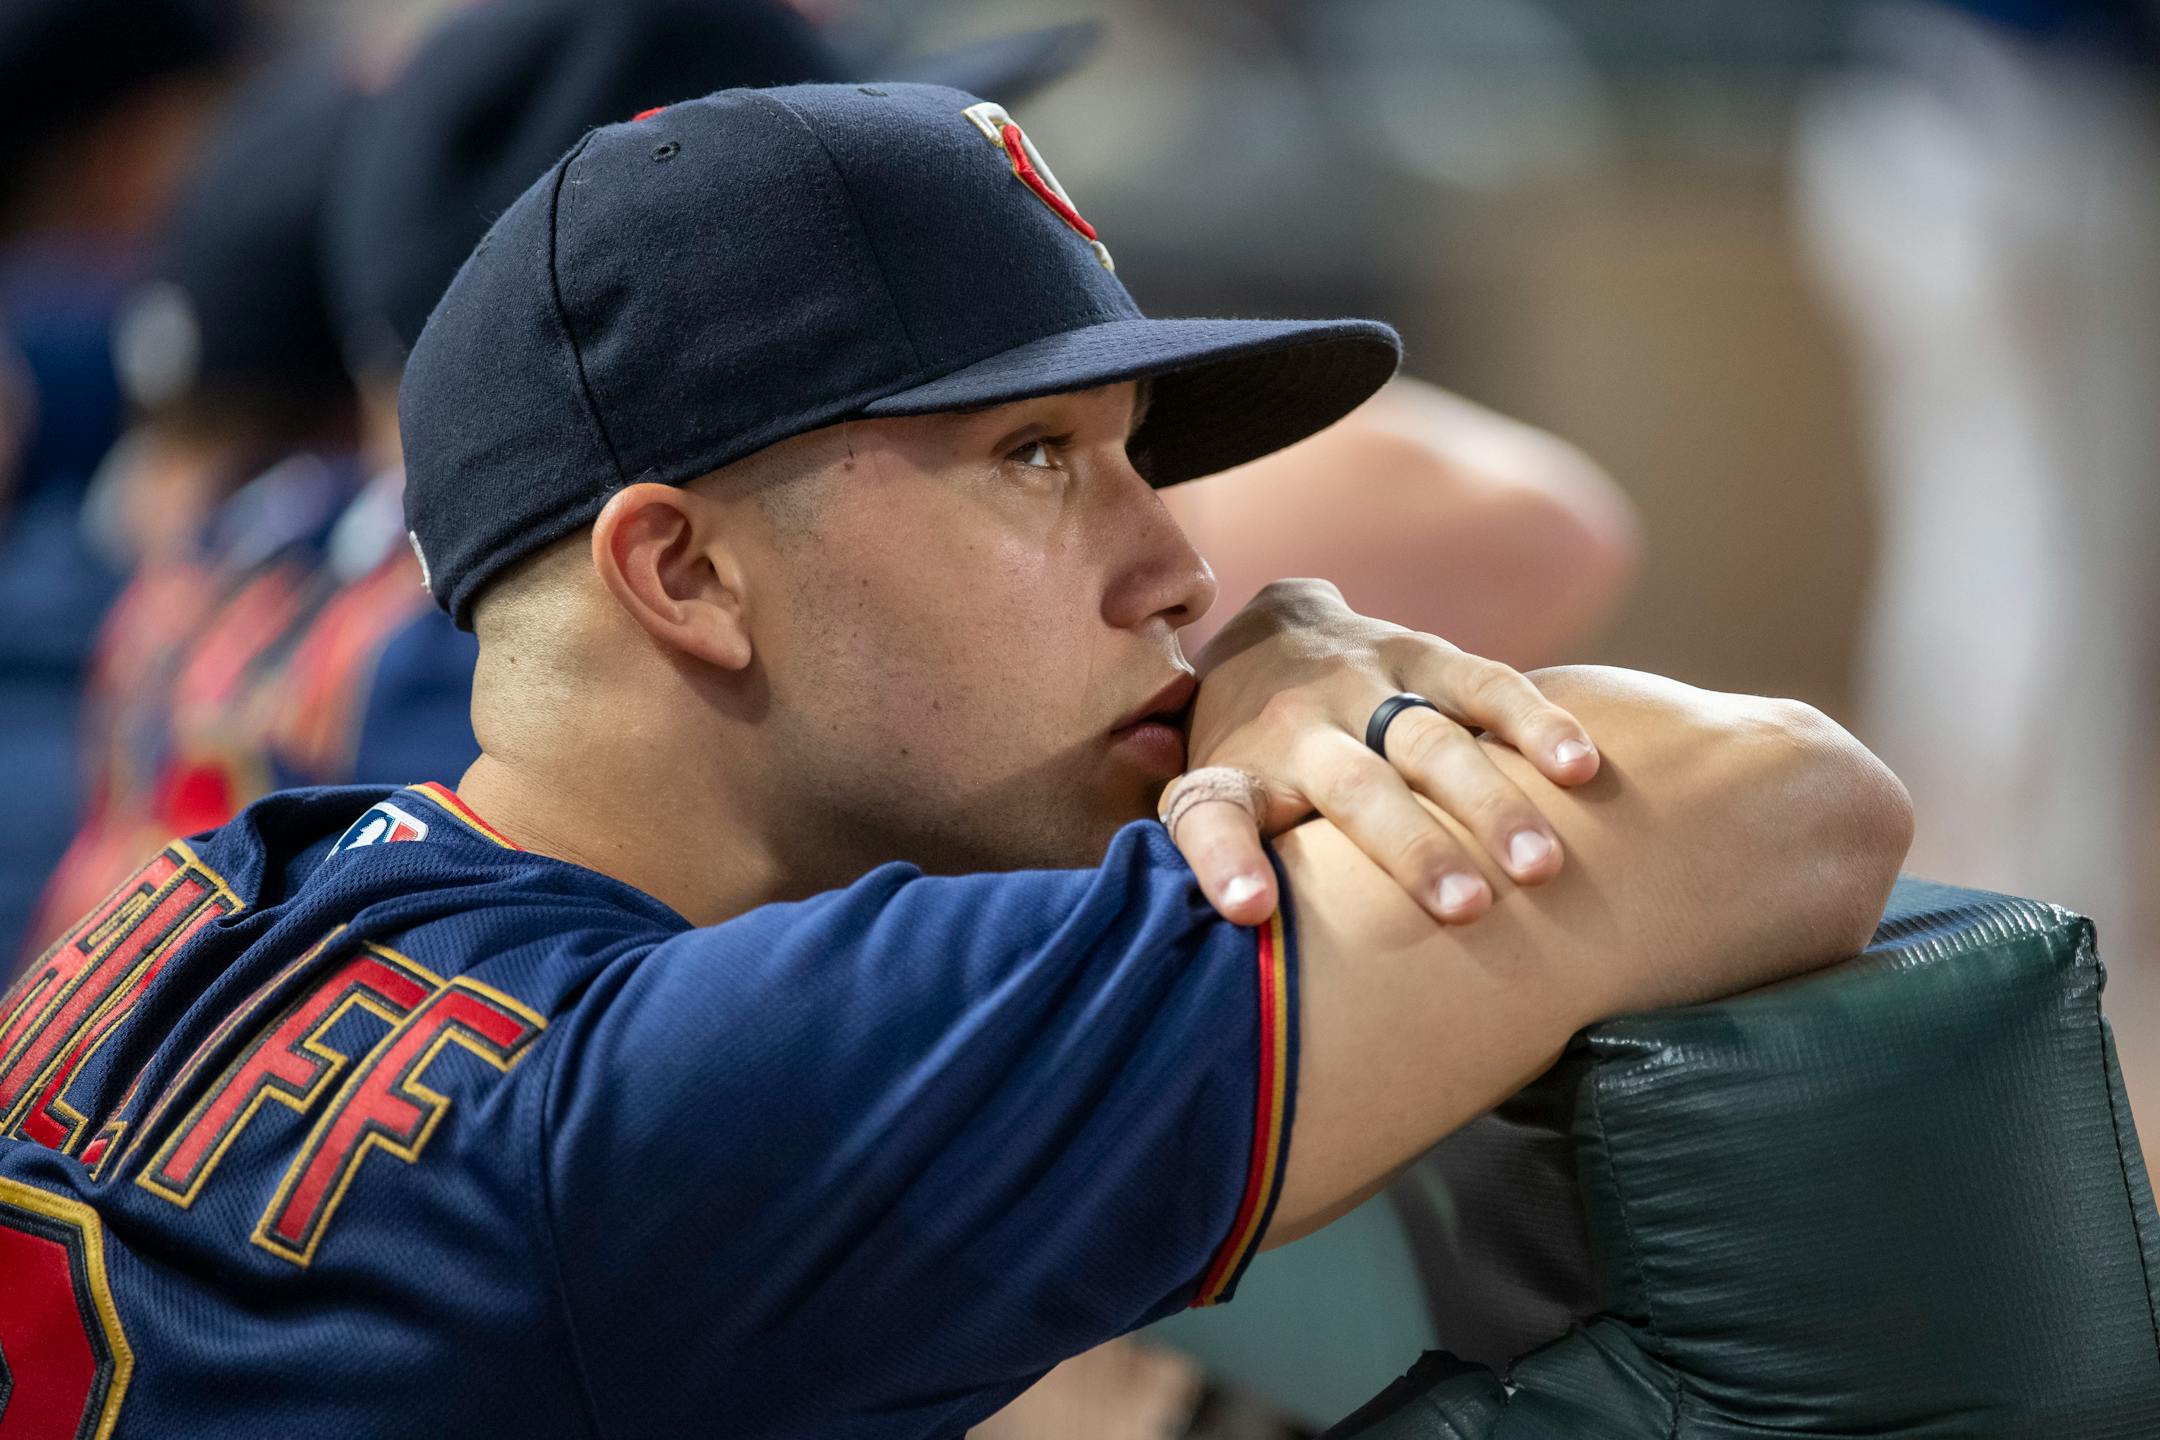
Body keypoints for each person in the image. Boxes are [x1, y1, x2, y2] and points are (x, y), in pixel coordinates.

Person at [0, 82, 1909, 1438]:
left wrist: (1298, 667)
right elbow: (1793, 802)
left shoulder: (234, 889)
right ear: (682, 572)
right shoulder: (692, 1084)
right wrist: (1312, 683)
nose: (1180, 567)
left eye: (1133, 451)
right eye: (1033, 460)